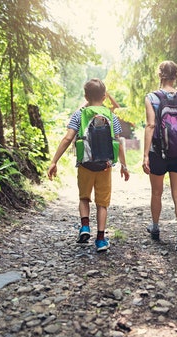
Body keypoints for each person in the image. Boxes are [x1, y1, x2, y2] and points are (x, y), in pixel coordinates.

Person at [47, 78, 130, 252]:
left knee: (84, 198)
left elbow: (68, 138)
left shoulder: (79, 114)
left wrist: (54, 161)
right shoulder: (112, 116)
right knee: (102, 204)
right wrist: (123, 165)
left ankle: (85, 227)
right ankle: (100, 240)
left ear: (85, 95)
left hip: (85, 164)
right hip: (105, 166)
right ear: (105, 97)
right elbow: (118, 142)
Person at [142, 60, 177, 254]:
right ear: (176, 76)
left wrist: (146, 154)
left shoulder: (152, 98)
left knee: (156, 192)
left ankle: (155, 227)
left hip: (157, 152)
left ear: (160, 75)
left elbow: (150, 126)